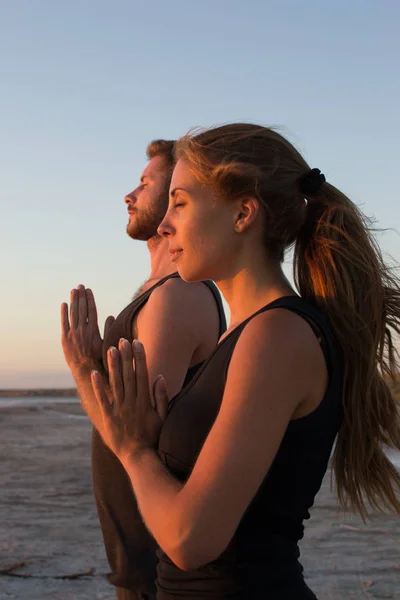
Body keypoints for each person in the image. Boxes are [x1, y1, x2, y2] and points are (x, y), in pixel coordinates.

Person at [75, 124, 400, 599]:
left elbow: (191, 539)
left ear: (244, 212)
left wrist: (135, 450)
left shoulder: (278, 335)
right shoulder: (243, 333)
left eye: (180, 203)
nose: (165, 225)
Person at [61, 139, 226, 600]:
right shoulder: (158, 290)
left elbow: (136, 437)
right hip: (136, 558)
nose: (129, 195)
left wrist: (80, 367)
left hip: (155, 563)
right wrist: (94, 365)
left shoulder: (177, 295)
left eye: (146, 184)